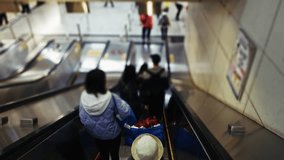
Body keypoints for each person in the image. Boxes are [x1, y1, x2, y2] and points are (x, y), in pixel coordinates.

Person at [79, 69, 136, 160]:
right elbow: (125, 112)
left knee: (103, 154)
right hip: (112, 134)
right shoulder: (111, 97)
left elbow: (82, 118)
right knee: (114, 155)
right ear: (103, 82)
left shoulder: (84, 97)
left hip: (96, 135)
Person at [139, 54, 169, 120]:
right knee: (159, 113)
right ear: (159, 61)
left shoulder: (147, 72)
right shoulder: (164, 72)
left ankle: (152, 125)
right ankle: (158, 123)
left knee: (150, 113)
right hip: (160, 96)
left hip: (150, 97)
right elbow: (166, 86)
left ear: (152, 61)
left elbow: (142, 84)